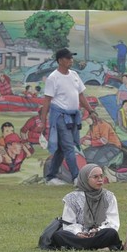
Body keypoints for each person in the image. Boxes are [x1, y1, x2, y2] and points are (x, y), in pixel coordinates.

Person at [37, 48, 96, 185]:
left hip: (73, 116)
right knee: (69, 146)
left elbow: (81, 95)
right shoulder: (53, 78)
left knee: (61, 149)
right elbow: (47, 100)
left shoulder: (74, 74)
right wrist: (43, 121)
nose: (71, 60)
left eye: (71, 58)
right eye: (68, 58)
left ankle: (50, 177)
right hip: (60, 117)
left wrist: (91, 111)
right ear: (60, 61)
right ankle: (77, 178)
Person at [51, 164, 122, 251]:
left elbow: (113, 222)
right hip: (78, 236)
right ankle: (97, 247)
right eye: (95, 177)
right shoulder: (72, 198)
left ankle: (79, 246)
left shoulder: (109, 197)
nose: (100, 180)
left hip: (98, 234)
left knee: (111, 233)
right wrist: (78, 233)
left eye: (101, 176)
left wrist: (97, 230)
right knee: (59, 235)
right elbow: (68, 223)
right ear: (85, 179)